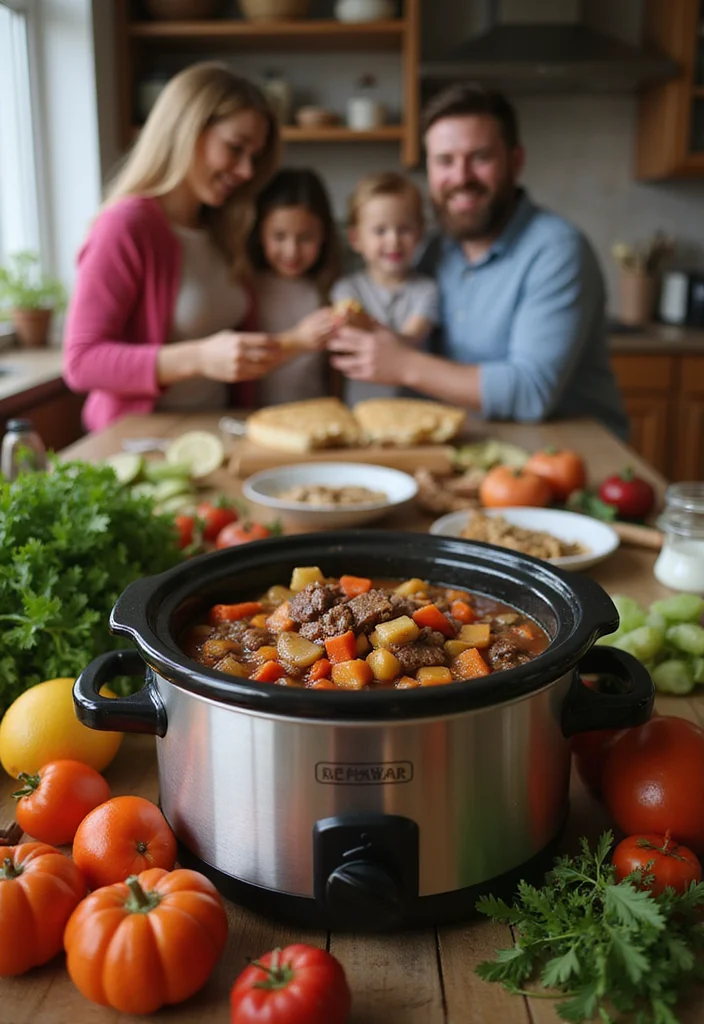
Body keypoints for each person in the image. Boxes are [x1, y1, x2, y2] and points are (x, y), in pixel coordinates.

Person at [328, 84, 628, 438]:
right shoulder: (433, 249)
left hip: (568, 454)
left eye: (480, 157)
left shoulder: (557, 250)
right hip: (470, 445)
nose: (461, 177)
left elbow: (532, 393)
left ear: (515, 162)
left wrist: (403, 364)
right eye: (445, 161)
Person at [63, 63, 282, 432]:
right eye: (235, 148)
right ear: (186, 131)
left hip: (218, 434)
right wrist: (199, 357)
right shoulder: (126, 226)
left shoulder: (223, 228)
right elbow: (81, 362)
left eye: (254, 157)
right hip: (142, 441)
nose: (246, 171)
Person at [330, 172, 439, 403]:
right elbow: (348, 334)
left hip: (415, 410)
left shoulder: (426, 290)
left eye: (404, 229)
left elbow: (411, 339)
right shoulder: (346, 290)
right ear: (356, 239)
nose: (393, 240)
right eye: (380, 231)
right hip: (361, 409)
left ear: (420, 233)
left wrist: (373, 330)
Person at [247, 167, 341, 404]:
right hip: (255, 416)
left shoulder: (330, 291)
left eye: (305, 238)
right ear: (260, 234)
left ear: (324, 236)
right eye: (279, 236)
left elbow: (334, 372)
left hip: (315, 414)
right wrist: (300, 339)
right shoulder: (248, 290)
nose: (291, 251)